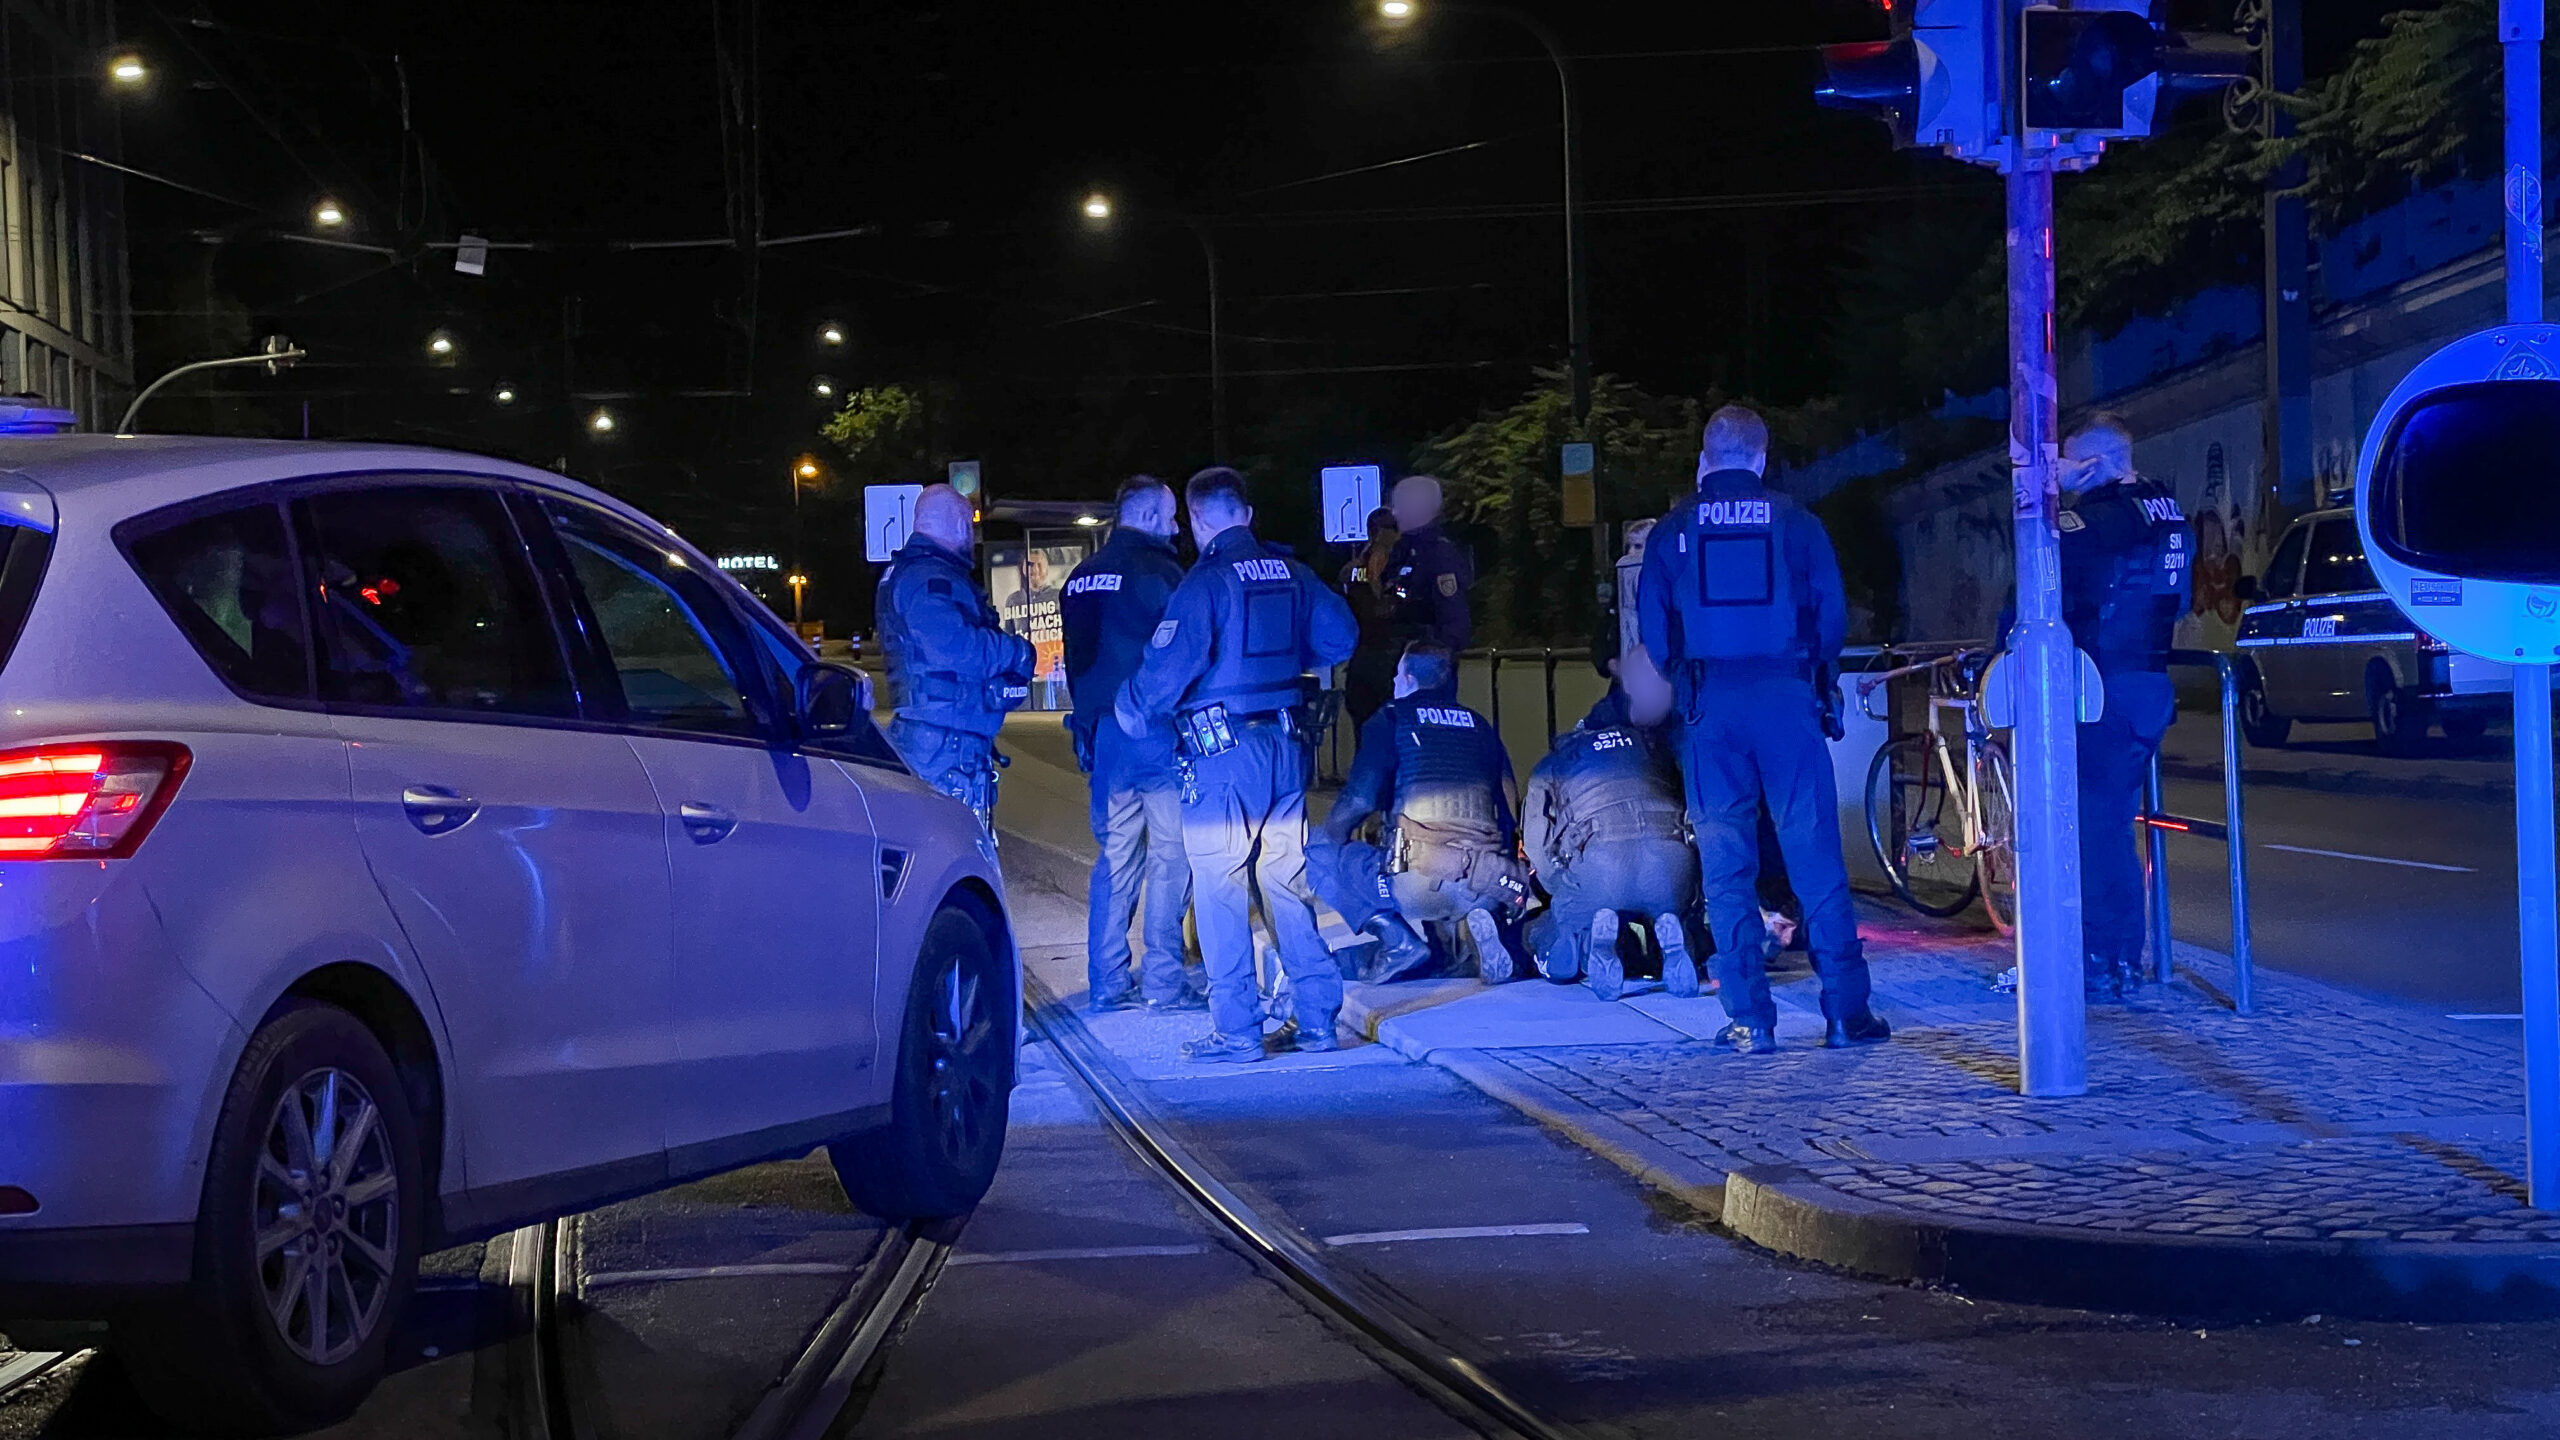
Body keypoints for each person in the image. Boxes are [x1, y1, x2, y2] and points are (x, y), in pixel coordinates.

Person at [1638, 404, 1889, 1055]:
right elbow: (1831, 616)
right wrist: (1817, 676)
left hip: (1711, 710)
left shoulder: (1674, 530)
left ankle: (1750, 1017)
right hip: (1786, 698)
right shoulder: (1798, 524)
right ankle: (1846, 1013)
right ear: (1761, 455)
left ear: (1704, 459)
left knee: (1726, 866)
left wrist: (1689, 681)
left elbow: (1655, 631)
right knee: (1814, 858)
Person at [1117, 466, 1359, 1063]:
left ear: (1199, 520)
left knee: (1220, 890)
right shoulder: (1294, 573)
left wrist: (1131, 709)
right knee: (1284, 882)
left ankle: (1236, 1029)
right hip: (1285, 747)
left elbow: (1167, 671)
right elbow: (1341, 639)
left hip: (1223, 756)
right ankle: (1318, 1019)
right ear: (1247, 514)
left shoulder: (1206, 581)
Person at [2057, 412, 2191, 1000]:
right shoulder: (2169, 511)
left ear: (2096, 462)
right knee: (2112, 823)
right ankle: (2122, 955)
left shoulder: (2093, 521)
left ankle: (2102, 958)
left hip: (2102, 685)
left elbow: (2048, 588)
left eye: (2067, 460)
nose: (2060, 472)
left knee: (2094, 828)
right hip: (2150, 682)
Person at [1309, 642, 1529, 984]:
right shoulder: (1480, 726)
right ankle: (1470, 934)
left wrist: (1332, 842)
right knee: (1443, 845)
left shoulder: (1392, 718)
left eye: (1397, 676)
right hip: (1488, 880)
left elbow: (1359, 800)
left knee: (1319, 852)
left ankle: (1397, 942)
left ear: (1408, 680)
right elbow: (1509, 808)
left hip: (1417, 883)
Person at [1062, 476, 1201, 1015]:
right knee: (1170, 858)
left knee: (1116, 860)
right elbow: (1186, 652)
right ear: (1145, 516)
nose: (1175, 529)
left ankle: (1107, 981)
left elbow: (1078, 661)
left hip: (1105, 742)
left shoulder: (1079, 579)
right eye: (1169, 518)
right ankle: (1164, 983)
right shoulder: (1160, 572)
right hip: (1159, 738)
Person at [1521, 643, 1703, 1001]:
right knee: (1671, 910)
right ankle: (1670, 934)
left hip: (1601, 869)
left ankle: (1588, 944)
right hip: (1672, 866)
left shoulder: (1556, 762)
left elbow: (1538, 843)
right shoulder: (1663, 743)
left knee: (1549, 930)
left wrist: (1561, 885)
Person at [876, 483, 1036, 828]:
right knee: (950, 853)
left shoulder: (914, 572)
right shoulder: (928, 577)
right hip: (945, 749)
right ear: (955, 523)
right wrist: (1018, 652)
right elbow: (957, 647)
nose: (971, 535)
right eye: (968, 524)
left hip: (936, 740)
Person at [1386, 475, 1474, 652]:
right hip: (1409, 651)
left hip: (1426, 656)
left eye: (1401, 503)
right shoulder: (1406, 551)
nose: (1394, 512)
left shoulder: (1438, 553)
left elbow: (1453, 612)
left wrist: (1440, 651)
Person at [1339, 507, 1403, 729]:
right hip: (1383, 652)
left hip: (1361, 650)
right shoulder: (1383, 557)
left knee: (1363, 719)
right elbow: (1383, 595)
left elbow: (1346, 584)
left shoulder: (1357, 565)